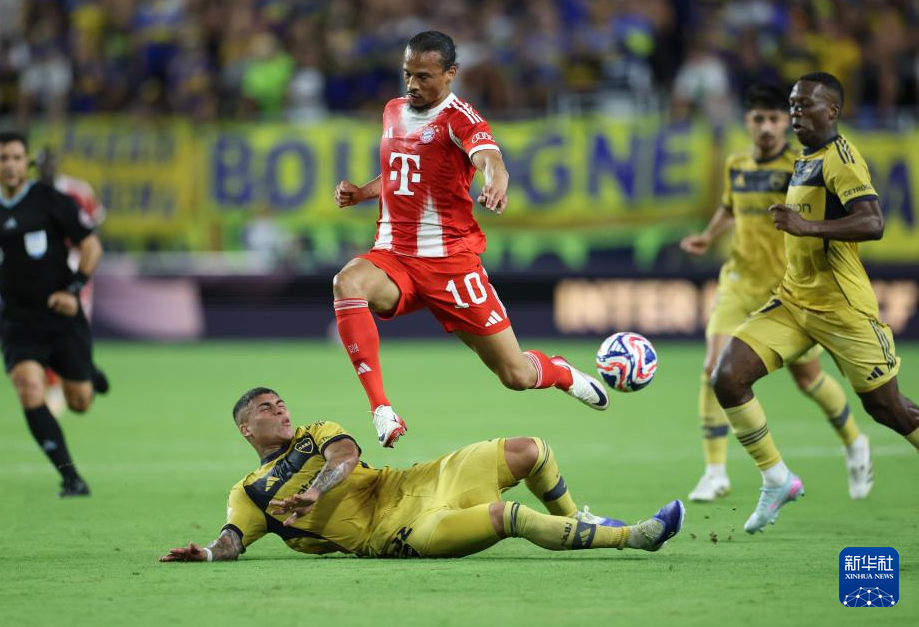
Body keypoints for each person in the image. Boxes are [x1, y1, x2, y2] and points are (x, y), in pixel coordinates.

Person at [332, 30, 606, 448]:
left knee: (515, 375)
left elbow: (491, 159)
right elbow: (401, 171)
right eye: (407, 74)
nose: (412, 85)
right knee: (347, 282)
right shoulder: (393, 110)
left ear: (450, 74)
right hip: (394, 256)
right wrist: (363, 193)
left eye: (423, 76)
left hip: (451, 265)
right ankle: (381, 409)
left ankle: (560, 372)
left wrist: (497, 181)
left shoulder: (461, 118)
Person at [712, 72, 919, 533]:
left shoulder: (841, 159)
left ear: (833, 111)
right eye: (793, 105)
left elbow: (873, 222)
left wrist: (808, 227)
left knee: (888, 409)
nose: (795, 113)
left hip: (842, 308)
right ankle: (776, 478)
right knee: (728, 377)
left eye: (805, 105)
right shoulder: (804, 159)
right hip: (793, 300)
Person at [159, 387, 684, 562]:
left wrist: (314, 492)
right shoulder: (250, 492)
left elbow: (345, 456)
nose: (280, 411)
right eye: (266, 410)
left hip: (412, 482)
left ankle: (578, 518)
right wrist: (207, 554)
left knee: (531, 451)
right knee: (510, 516)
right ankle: (635, 537)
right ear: (246, 429)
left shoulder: (316, 432)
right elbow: (231, 540)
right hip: (394, 533)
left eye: (280, 404)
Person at [680, 83, 871, 503]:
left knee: (808, 379)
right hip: (739, 282)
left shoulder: (800, 166)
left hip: (787, 289)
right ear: (747, 122)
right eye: (758, 119)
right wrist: (707, 236)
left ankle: (855, 442)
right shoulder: (736, 163)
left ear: (786, 121)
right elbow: (729, 208)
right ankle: (715, 472)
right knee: (713, 368)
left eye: (773, 118)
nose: (766, 127)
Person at [0, 131, 107, 497]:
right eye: (3, 158)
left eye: (17, 158)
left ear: (25, 162)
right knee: (29, 388)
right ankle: (70, 477)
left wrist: (74, 289)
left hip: (61, 317)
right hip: (19, 322)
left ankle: (87, 373)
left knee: (79, 402)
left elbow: (91, 245)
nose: (10, 165)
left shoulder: (52, 200)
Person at [34, 147, 109, 414]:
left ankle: (79, 375)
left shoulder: (76, 190)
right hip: (42, 270)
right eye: (42, 164)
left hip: (75, 268)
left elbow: (94, 223)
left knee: (74, 326)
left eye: (50, 163)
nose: (47, 169)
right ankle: (55, 385)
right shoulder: (30, 194)